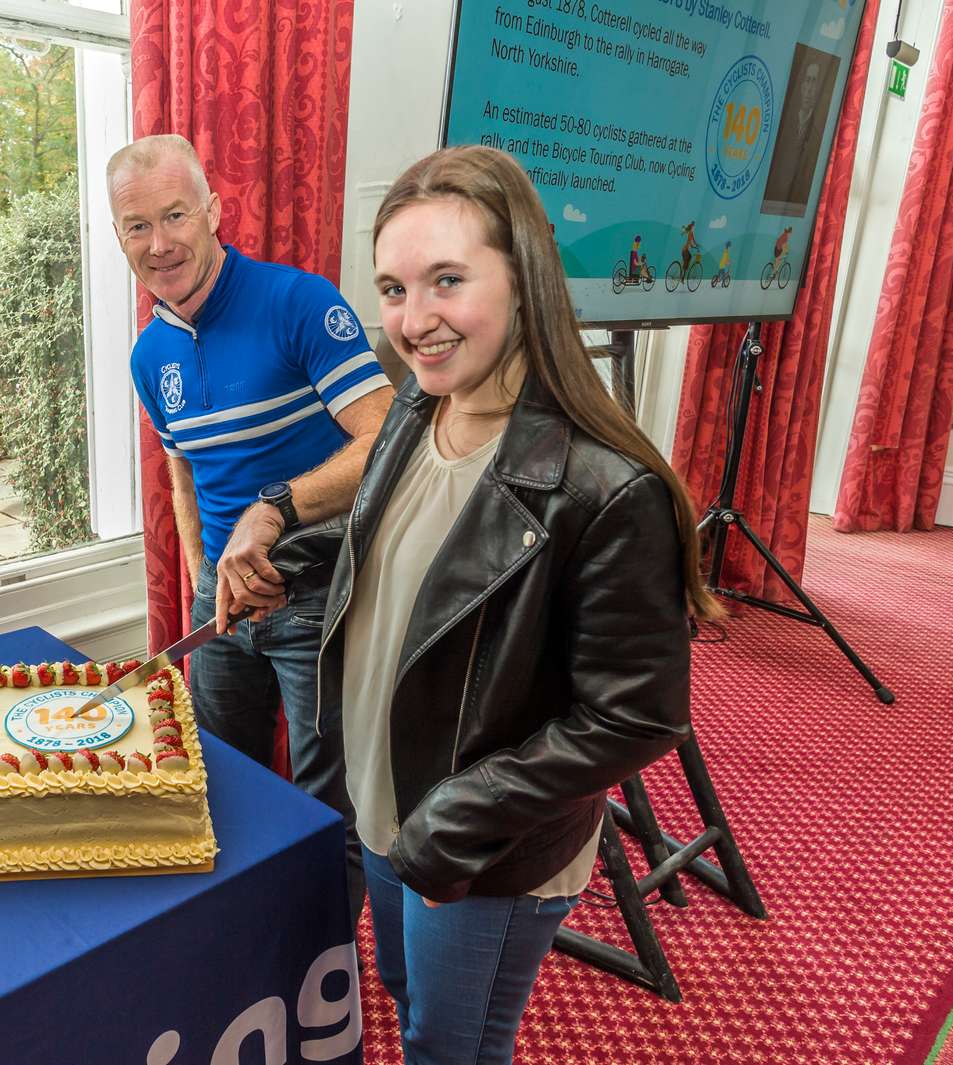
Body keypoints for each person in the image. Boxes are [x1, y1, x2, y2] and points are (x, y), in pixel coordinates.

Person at [316, 145, 720, 1064]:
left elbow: (636, 715)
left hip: (483, 842)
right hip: (385, 795)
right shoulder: (419, 411)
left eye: (446, 280)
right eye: (392, 288)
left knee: (449, 1046)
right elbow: (396, 554)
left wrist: (455, 816)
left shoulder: (608, 489)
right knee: (404, 993)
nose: (413, 320)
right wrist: (281, 543)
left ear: (525, 278)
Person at [108, 134, 391, 922]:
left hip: (321, 593)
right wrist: (201, 563)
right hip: (222, 607)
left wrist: (273, 509)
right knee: (220, 785)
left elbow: (385, 441)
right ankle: (240, 944)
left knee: (330, 809)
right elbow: (181, 464)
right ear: (118, 236)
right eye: (136, 226)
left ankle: (320, 975)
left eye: (174, 215)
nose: (159, 242)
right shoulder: (147, 354)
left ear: (213, 211)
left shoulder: (301, 302)